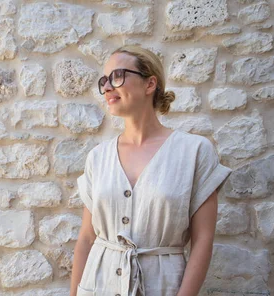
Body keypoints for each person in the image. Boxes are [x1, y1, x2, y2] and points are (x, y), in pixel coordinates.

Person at [70, 45, 232, 296]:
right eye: (104, 80)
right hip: (97, 285)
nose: (108, 87)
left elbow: (203, 241)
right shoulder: (98, 157)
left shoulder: (193, 152)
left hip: (163, 287)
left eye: (117, 76)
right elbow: (86, 239)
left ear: (149, 84)